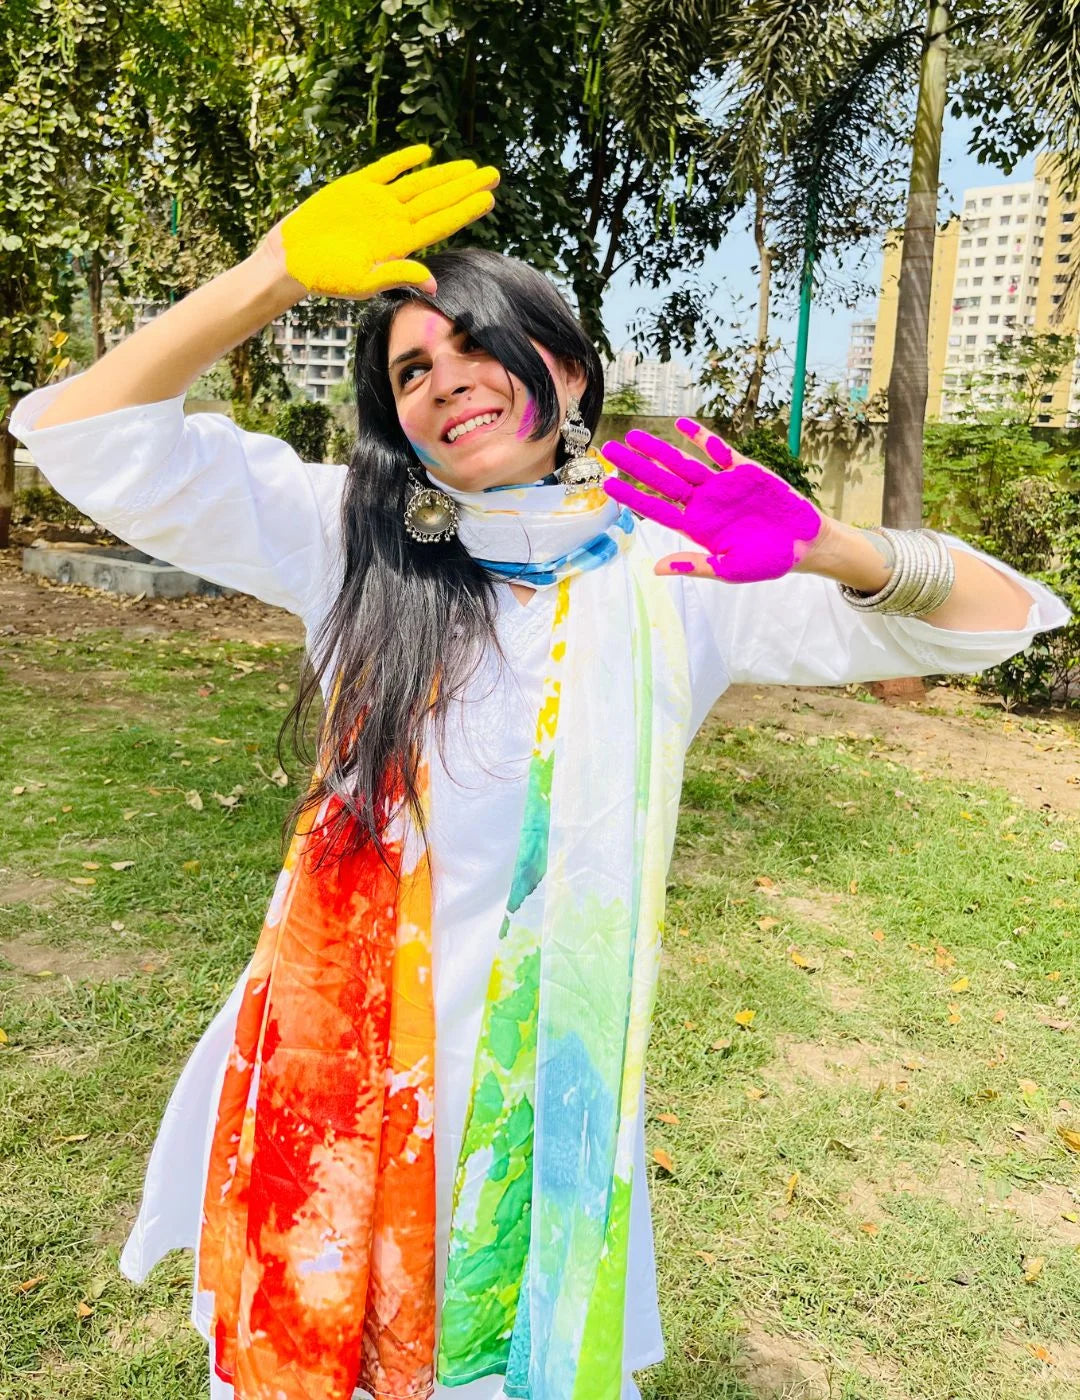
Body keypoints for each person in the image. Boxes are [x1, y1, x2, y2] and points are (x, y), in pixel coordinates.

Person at [10, 144, 1067, 1400]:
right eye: (412, 370)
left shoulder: (676, 569)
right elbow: (82, 434)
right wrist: (272, 271)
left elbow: (998, 620)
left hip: (545, 1100)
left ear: (564, 371)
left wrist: (836, 547)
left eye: (478, 346)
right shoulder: (351, 542)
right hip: (334, 1089)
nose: (446, 381)